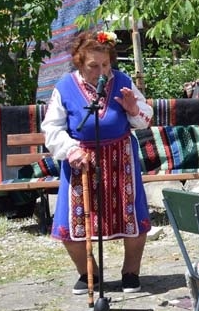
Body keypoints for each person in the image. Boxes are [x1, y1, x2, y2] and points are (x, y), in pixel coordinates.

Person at [42, 30, 153, 295]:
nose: (101, 71)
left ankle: (130, 273)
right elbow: (52, 129)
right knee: (70, 224)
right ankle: (88, 272)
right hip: (81, 161)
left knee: (133, 217)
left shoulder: (124, 81)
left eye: (105, 64)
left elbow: (145, 117)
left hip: (121, 159)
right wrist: (71, 150)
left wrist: (133, 109)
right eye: (94, 66)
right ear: (80, 62)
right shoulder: (65, 87)